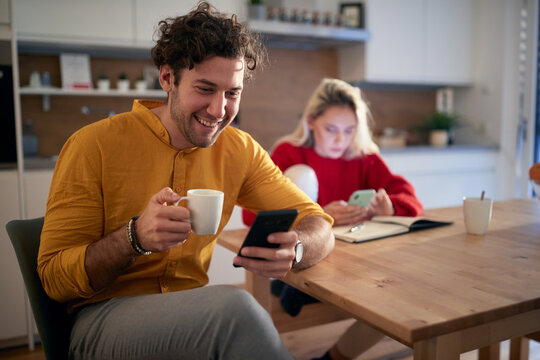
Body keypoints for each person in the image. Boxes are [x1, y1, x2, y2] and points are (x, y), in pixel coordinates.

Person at [38, 3, 334, 359]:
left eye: (232, 93)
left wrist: (297, 248)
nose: (219, 110)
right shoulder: (93, 145)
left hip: (189, 314)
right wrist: (135, 237)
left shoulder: (240, 150)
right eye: (205, 89)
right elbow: (54, 280)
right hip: (100, 322)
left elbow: (318, 222)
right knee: (236, 312)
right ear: (167, 78)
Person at [243, 78, 423, 360]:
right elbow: (250, 213)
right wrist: (317, 216)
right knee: (388, 297)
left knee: (400, 295)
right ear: (311, 122)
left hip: (355, 266)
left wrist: (390, 208)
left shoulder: (363, 157)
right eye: (332, 129)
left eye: (349, 130)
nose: (341, 139)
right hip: (302, 264)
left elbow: (411, 199)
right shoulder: (290, 153)